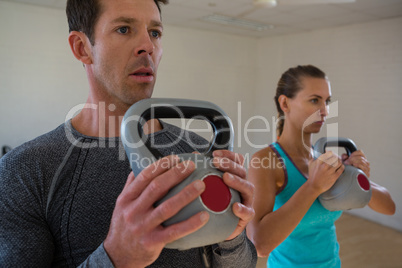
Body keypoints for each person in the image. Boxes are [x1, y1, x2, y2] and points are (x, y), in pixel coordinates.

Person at [0, 0, 257, 267]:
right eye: (124, 29)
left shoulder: (199, 149)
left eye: (155, 32)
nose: (148, 45)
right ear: (82, 47)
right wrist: (117, 257)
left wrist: (232, 238)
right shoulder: (24, 171)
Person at [246, 65, 395, 267]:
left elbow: (388, 207)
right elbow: (259, 245)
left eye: (327, 101)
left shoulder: (324, 159)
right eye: (314, 100)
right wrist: (312, 187)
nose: (324, 111)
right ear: (285, 103)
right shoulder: (265, 161)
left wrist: (360, 178)